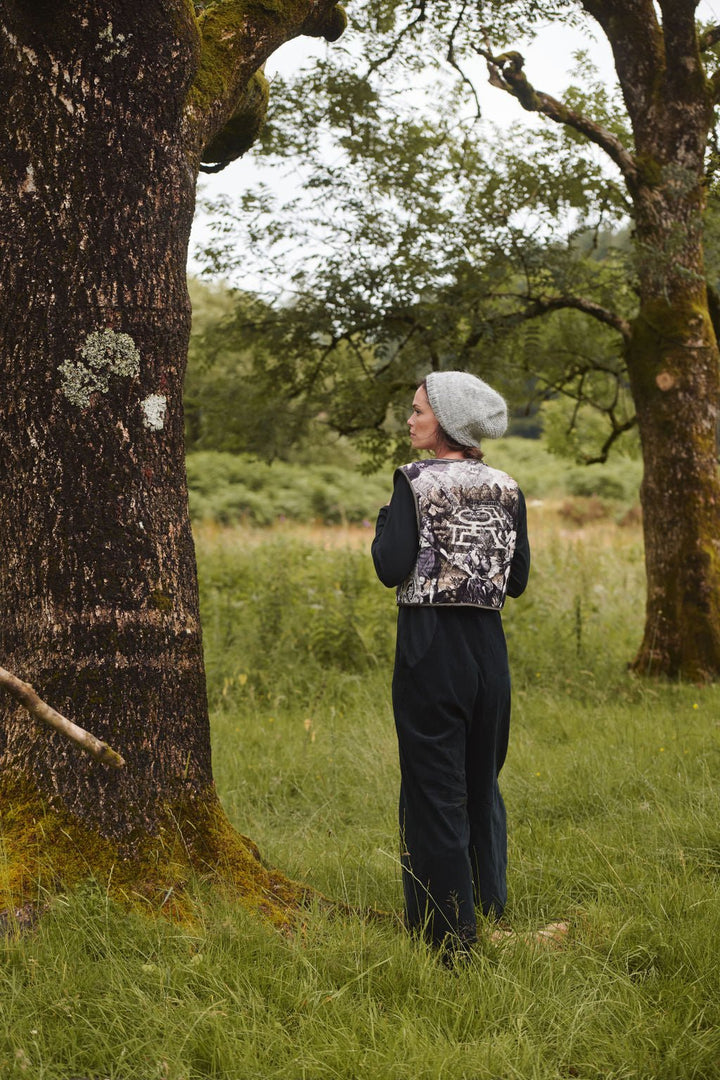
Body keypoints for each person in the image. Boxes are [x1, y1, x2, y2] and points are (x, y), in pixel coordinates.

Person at [371, 371, 530, 957]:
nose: (409, 420)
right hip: (489, 651)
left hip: (429, 647)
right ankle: (489, 905)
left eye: (417, 411)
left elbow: (391, 566)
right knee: (479, 779)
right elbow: (516, 581)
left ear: (446, 422)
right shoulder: (507, 487)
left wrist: (385, 525)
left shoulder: (414, 483)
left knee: (433, 788)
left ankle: (450, 937)